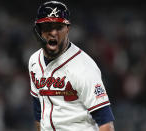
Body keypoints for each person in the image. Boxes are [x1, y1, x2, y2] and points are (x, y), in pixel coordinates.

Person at [28, 1, 115, 131]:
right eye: (47, 26)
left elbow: (106, 124)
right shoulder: (34, 61)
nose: (53, 32)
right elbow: (38, 111)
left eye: (58, 27)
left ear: (68, 29)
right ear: (38, 30)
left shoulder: (84, 67)